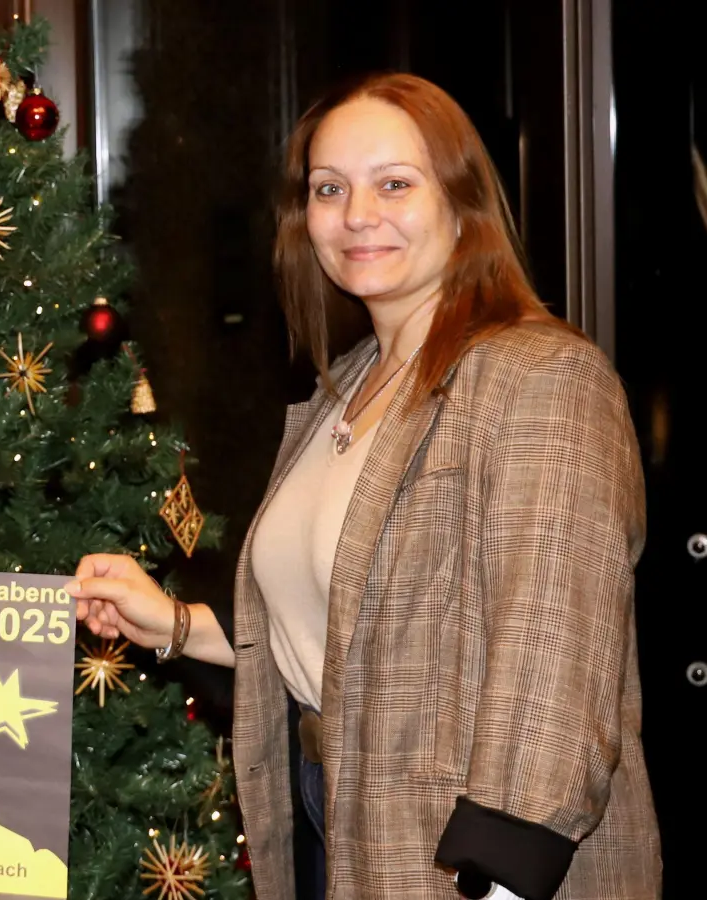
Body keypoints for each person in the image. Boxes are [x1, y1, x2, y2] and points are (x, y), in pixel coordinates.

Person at [69, 72, 660, 900]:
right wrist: (172, 625)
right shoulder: (343, 387)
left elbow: (553, 668)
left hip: (475, 860)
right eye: (328, 189)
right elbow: (347, 637)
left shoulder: (541, 377)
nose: (356, 215)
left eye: (394, 184)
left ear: (462, 205)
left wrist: (496, 880)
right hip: (342, 827)